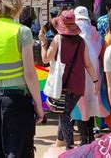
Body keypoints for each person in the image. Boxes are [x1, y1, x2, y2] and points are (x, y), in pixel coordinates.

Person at [0, 0, 45, 157]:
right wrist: (38, 105)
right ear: (17, 4)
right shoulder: (22, 32)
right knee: (19, 151)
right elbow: (30, 74)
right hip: (18, 101)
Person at [39, 10, 99, 150]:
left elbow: (46, 59)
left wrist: (43, 43)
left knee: (64, 114)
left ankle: (69, 147)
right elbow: (88, 64)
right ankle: (60, 142)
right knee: (65, 113)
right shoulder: (81, 41)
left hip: (62, 84)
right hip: (78, 85)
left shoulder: (58, 39)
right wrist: (95, 82)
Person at [72, 6, 110, 145]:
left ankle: (83, 140)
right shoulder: (95, 33)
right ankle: (91, 137)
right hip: (94, 75)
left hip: (77, 75)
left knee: (80, 108)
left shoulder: (72, 33)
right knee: (92, 105)